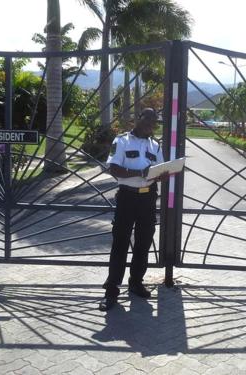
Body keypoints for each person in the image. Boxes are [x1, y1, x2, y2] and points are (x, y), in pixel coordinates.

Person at [99, 108, 165, 311]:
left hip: (148, 198)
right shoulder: (122, 141)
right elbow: (113, 169)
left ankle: (136, 283)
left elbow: (160, 169)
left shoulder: (155, 145)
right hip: (127, 197)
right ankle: (111, 291)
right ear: (138, 119)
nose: (151, 125)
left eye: (154, 122)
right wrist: (140, 172)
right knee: (120, 244)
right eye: (147, 119)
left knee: (143, 243)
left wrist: (162, 174)